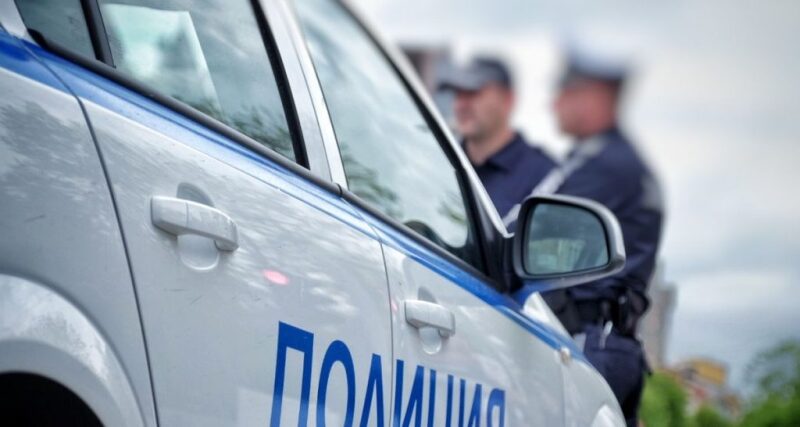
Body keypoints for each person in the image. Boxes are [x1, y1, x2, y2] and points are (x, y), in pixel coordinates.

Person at [534, 49, 663, 427]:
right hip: (615, 344)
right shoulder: (626, 163)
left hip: (589, 343)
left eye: (565, 91)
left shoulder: (604, 165)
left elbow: (525, 228)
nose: (554, 103)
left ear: (596, 97)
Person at [438, 57, 555, 221]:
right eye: (457, 94)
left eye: (472, 93)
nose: (460, 105)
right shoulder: (438, 162)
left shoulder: (545, 178)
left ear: (508, 100)